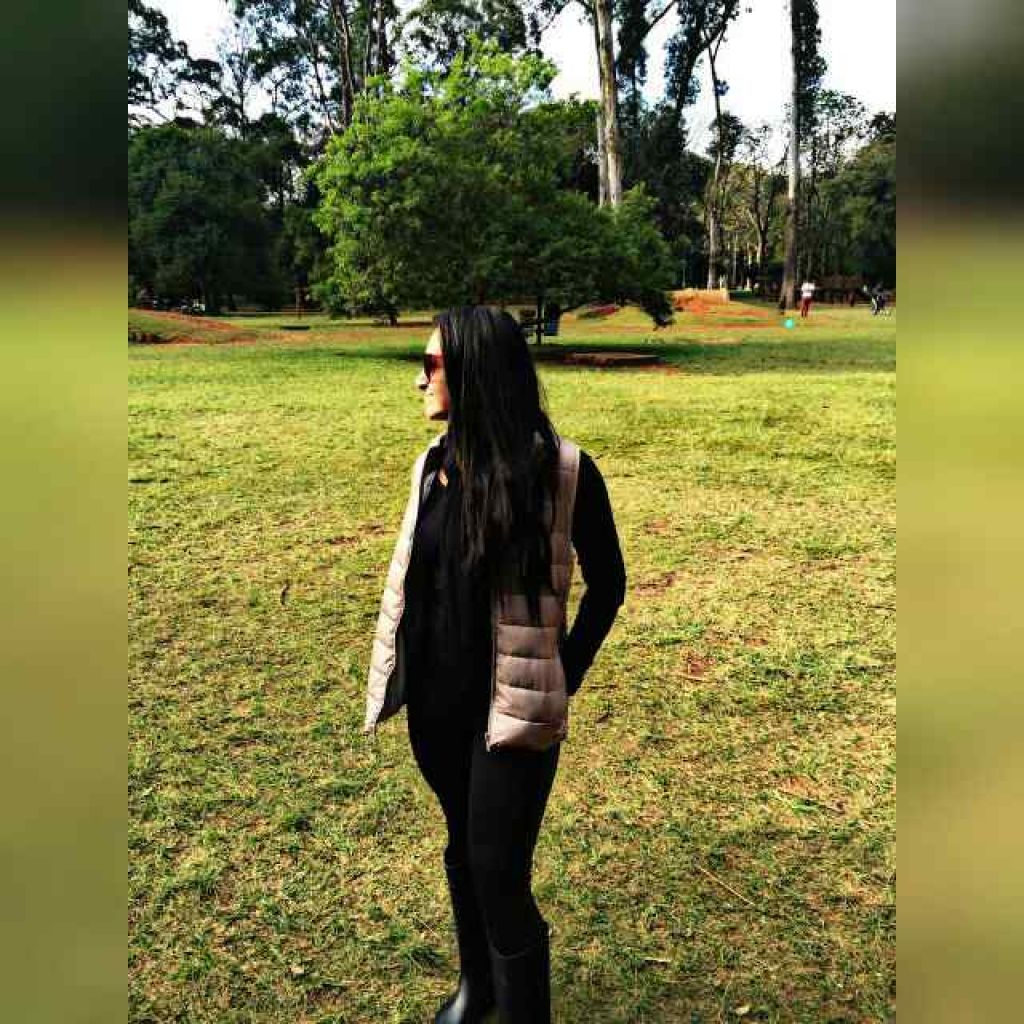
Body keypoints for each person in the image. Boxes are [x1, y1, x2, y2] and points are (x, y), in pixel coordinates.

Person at [365, 306, 626, 1023]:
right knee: (463, 847)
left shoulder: (564, 472)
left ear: (476, 372)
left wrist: (562, 674)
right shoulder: (432, 466)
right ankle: (476, 989)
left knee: (500, 873)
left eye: (432, 365)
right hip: (436, 706)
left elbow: (610, 584)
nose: (419, 379)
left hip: (509, 712)